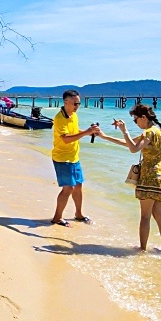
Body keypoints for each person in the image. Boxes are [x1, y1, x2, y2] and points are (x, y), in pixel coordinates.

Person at [92, 103, 161, 253]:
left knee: (145, 216)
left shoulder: (149, 132)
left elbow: (133, 149)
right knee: (159, 216)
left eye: (135, 120)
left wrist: (124, 130)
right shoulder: (158, 130)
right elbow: (129, 143)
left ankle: (142, 249)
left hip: (150, 177)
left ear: (144, 117)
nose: (135, 123)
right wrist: (104, 136)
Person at [50, 89, 94, 226]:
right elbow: (66, 139)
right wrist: (86, 132)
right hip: (62, 158)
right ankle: (57, 217)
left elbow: (75, 132)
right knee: (68, 188)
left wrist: (89, 132)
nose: (77, 106)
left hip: (74, 157)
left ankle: (79, 214)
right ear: (66, 102)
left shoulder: (73, 115)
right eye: (75, 103)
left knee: (78, 186)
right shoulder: (59, 118)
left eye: (79, 103)